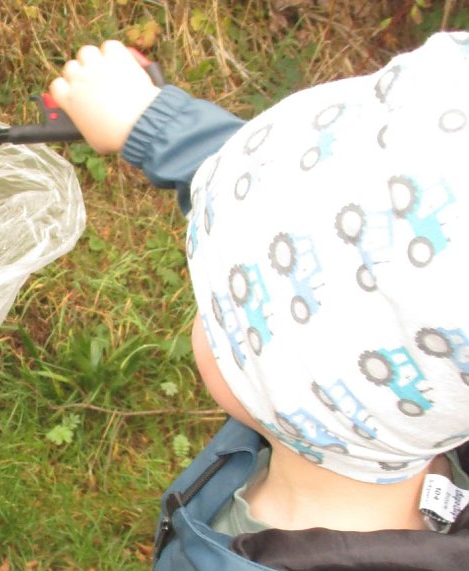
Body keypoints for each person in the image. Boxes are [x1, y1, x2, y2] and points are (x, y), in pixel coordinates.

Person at [50, 33, 469, 569]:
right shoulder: (408, 383)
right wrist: (150, 120)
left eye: (216, 302)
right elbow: (320, 220)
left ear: (285, 376)